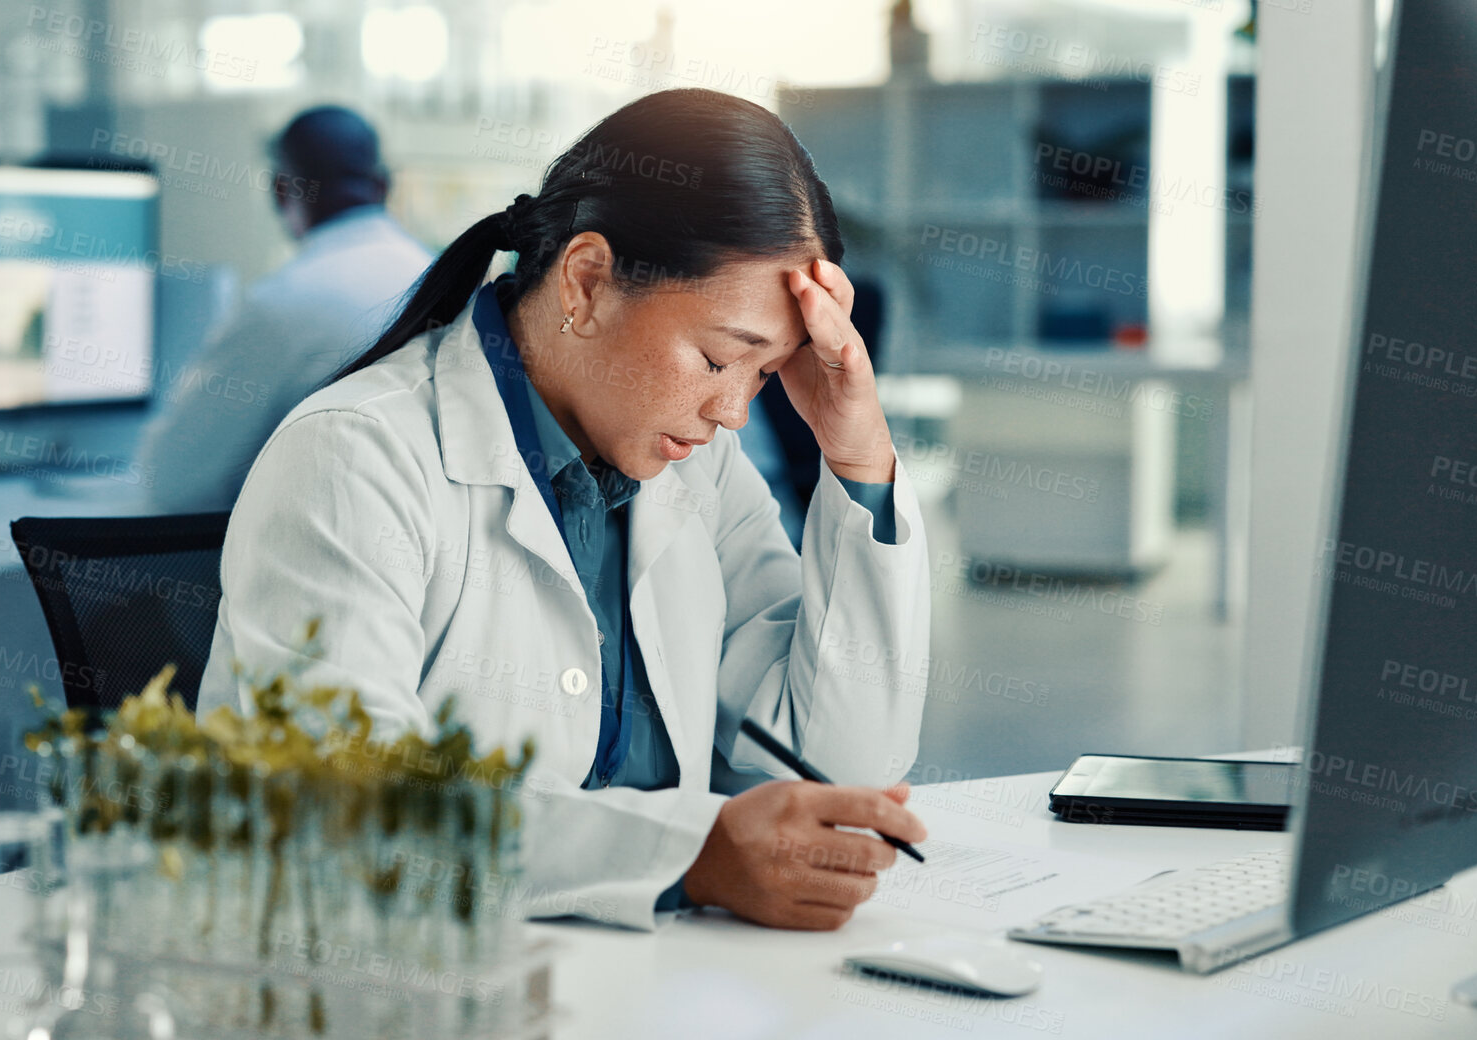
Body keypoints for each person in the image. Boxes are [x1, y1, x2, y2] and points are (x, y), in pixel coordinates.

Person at [195, 89, 932, 932]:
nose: (733, 411)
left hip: (646, 991)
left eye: (764, 376)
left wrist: (859, 459)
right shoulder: (355, 455)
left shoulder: (698, 469)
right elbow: (332, 808)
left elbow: (835, 771)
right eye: (717, 358)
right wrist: (685, 857)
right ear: (585, 281)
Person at [134, 105, 432, 514]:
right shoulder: (446, 279)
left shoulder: (283, 303)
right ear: (384, 185)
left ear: (279, 190)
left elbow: (173, 481)